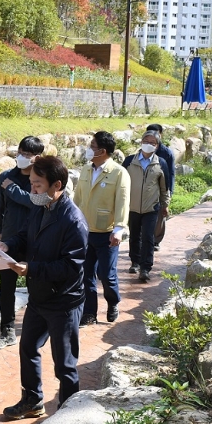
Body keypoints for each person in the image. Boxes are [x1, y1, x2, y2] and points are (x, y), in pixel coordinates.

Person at [0, 155, 88, 419]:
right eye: (31, 184)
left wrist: (31, 269)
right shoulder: (40, 207)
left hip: (63, 302)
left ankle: (68, 417)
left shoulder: (73, 221)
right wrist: (8, 245)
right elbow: (26, 235)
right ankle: (32, 400)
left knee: (65, 364)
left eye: (37, 185)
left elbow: (70, 267)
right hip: (38, 297)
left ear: (56, 185)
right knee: (27, 348)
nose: (32, 190)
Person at [0, 136, 44, 350]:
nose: (21, 157)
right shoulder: (5, 177)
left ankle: (37, 328)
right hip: (9, 242)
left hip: (35, 241)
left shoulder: (39, 178)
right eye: (20, 152)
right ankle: (7, 330)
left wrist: (14, 190)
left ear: (37, 158)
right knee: (6, 289)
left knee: (36, 286)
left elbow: (37, 203)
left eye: (27, 155)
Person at [73, 131, 130, 325]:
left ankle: (113, 302)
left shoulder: (119, 172)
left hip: (107, 233)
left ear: (103, 151)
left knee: (106, 274)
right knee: (86, 274)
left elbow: (123, 201)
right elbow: (77, 199)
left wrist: (119, 228)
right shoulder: (86, 170)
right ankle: (89, 313)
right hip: (85, 232)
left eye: (93, 146)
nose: (89, 150)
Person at [123, 131, 171, 283]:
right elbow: (121, 184)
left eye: (153, 142)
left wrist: (165, 205)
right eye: (146, 141)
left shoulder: (161, 163)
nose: (148, 144)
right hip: (132, 206)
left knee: (148, 237)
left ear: (157, 146)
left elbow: (164, 188)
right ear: (141, 142)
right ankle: (135, 262)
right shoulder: (130, 161)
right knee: (134, 235)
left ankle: (145, 268)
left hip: (151, 207)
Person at [143, 124, 176, 252]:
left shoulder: (166, 153)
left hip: (161, 188)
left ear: (160, 135)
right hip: (146, 189)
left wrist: (169, 193)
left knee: (160, 216)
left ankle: (156, 240)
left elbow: (171, 174)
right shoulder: (142, 151)